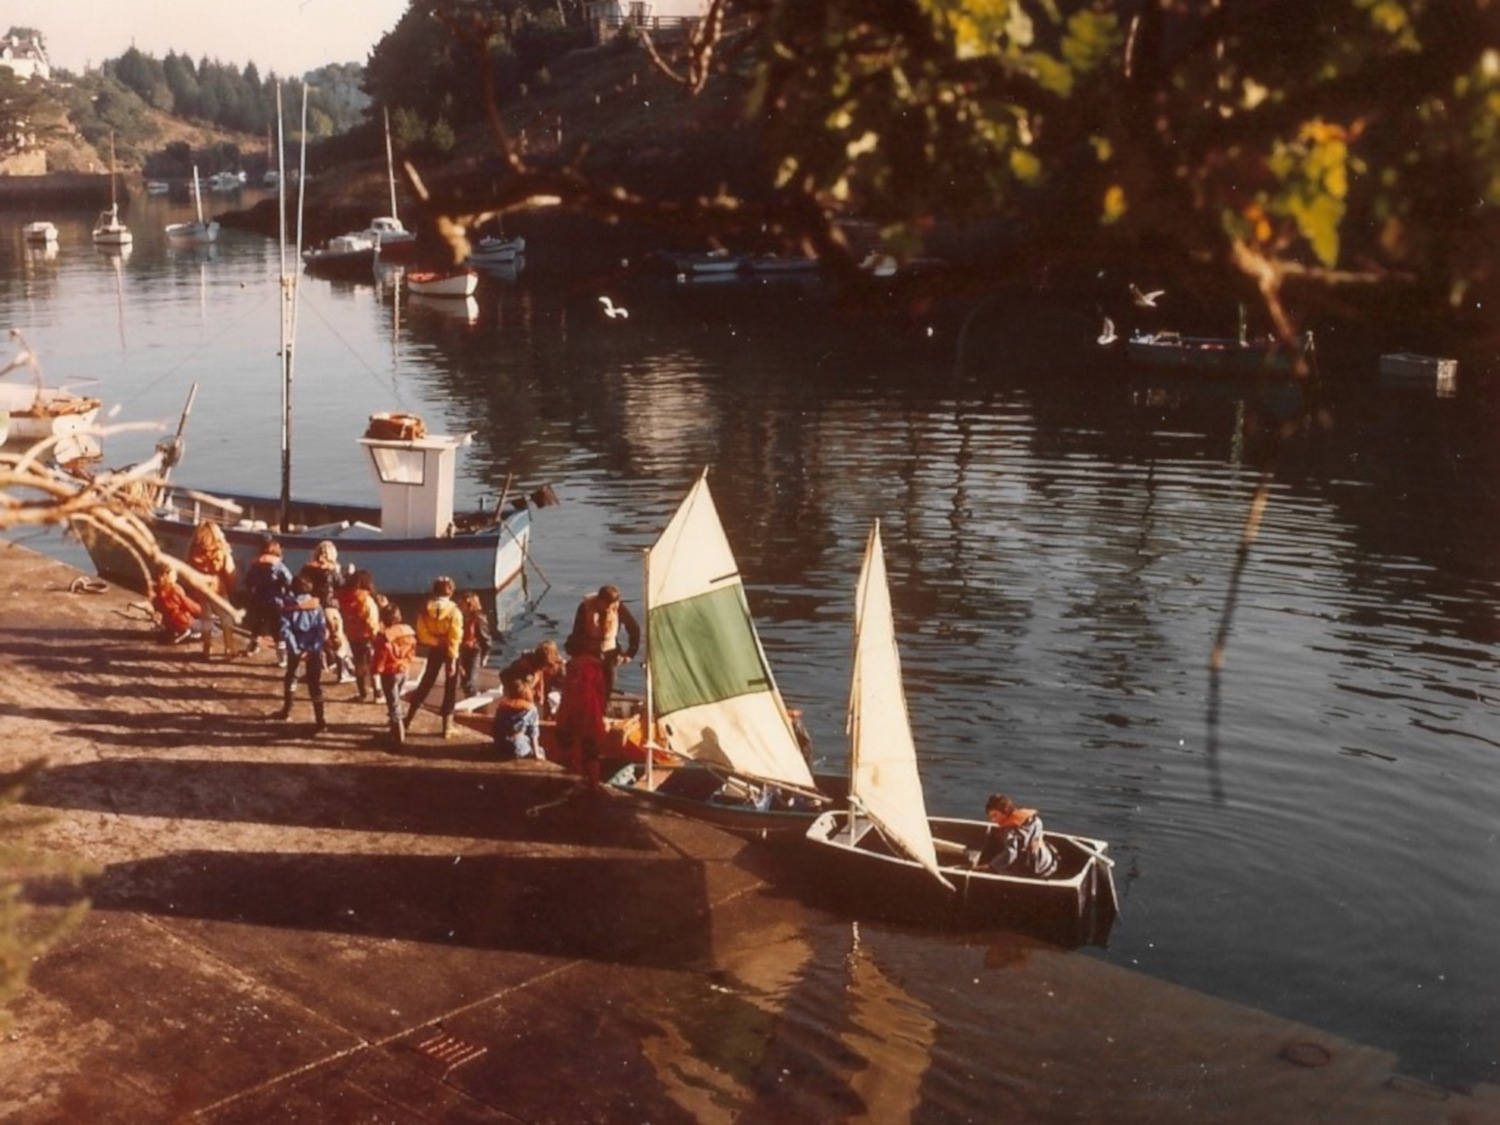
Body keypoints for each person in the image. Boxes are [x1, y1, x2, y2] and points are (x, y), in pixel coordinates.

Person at [405, 575, 464, 739]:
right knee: (450, 688)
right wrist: (452, 659)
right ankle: (447, 727)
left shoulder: (425, 609)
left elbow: (421, 634)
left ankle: (408, 719)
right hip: (450, 650)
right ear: (450, 591)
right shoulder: (454, 611)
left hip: (435, 649)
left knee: (426, 682)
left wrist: (436, 641)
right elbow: (455, 636)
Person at [276, 574, 329, 734]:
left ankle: (287, 709)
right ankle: (320, 721)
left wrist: (296, 649)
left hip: (296, 647)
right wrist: (313, 648)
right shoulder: (316, 606)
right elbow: (321, 630)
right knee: (314, 685)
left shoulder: (288, 606)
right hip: (313, 648)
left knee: (291, 676)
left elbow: (285, 630)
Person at [566, 584, 640, 697]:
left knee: (607, 688)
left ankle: (604, 706)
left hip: (610, 654)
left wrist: (630, 653)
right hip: (588, 652)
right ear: (600, 600)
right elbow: (577, 632)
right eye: (607, 605)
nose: (609, 609)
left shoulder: (618, 608)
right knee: (587, 688)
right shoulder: (585, 607)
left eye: (612, 606)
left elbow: (634, 629)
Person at [299, 541, 353, 683]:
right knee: (338, 640)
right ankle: (342, 673)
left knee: (313, 642)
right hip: (329, 608)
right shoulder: (332, 570)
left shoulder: (307, 569)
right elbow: (341, 585)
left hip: (311, 607)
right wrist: (348, 573)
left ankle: (311, 673)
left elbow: (301, 585)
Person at [554, 651, 608, 791]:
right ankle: (593, 784)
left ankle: (578, 780)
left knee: (575, 749)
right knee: (591, 752)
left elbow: (568, 700)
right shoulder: (597, 671)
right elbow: (602, 696)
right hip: (593, 717)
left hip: (576, 718)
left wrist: (561, 721)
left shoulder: (575, 675)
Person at [187, 519, 238, 660]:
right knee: (226, 616)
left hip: (201, 590)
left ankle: (207, 648)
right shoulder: (221, 551)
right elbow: (230, 571)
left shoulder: (193, 551)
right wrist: (231, 585)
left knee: (206, 618)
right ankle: (229, 648)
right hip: (218, 590)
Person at [975, 793, 1059, 878]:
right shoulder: (1031, 819)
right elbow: (1037, 825)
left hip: (1035, 870)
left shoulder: (1010, 831)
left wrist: (991, 866)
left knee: (996, 867)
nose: (993, 820)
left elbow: (1011, 853)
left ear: (1005, 811)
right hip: (1048, 862)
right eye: (991, 817)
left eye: (995, 815)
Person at [371, 602, 418, 746]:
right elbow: (412, 651)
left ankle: (398, 734)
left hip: (390, 673)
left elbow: (381, 657)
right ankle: (394, 726)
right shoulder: (408, 633)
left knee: (393, 702)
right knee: (397, 698)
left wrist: (375, 671)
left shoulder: (385, 637)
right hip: (404, 669)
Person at [242, 537, 294, 664]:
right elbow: (289, 580)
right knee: (278, 630)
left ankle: (252, 647)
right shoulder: (279, 565)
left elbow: (248, 580)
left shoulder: (256, 564)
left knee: (258, 625)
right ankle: (282, 658)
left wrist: (251, 591)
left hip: (259, 599)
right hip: (276, 601)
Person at [337, 569, 382, 702]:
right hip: (367, 636)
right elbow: (371, 620)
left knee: (359, 664)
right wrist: (377, 636)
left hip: (352, 635)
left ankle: (362, 693)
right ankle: (378, 694)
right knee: (374, 665)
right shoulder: (365, 600)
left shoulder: (344, 598)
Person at [492, 676, 543, 761]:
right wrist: (537, 754)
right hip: (517, 747)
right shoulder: (531, 709)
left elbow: (495, 727)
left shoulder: (503, 706)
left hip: (500, 746)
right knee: (541, 750)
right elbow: (533, 733)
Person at [149, 565, 201, 644]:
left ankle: (176, 632)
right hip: (182, 621)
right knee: (212, 628)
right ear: (167, 576)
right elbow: (189, 605)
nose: (176, 577)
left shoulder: (156, 590)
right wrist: (203, 611)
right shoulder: (175, 590)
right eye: (174, 575)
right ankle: (188, 633)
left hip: (168, 621)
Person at [456, 590, 493, 699]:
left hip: (474, 652)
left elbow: (486, 639)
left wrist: (485, 655)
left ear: (469, 605)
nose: (459, 606)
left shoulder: (479, 619)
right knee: (463, 679)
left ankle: (473, 698)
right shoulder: (462, 617)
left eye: (462, 604)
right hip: (463, 650)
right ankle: (469, 696)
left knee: (470, 681)